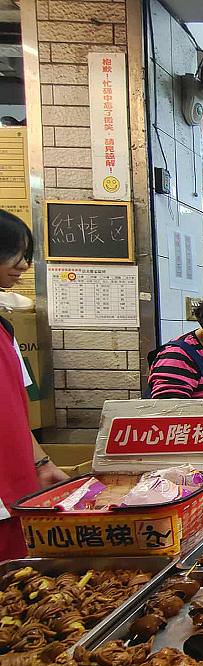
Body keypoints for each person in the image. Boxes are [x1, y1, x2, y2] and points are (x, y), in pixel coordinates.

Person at [0, 210, 67, 560]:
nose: (24, 265)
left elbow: (14, 412)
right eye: (16, 253)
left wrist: (41, 464)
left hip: (16, 489)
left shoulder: (5, 329)